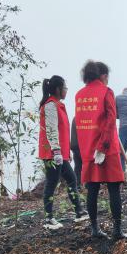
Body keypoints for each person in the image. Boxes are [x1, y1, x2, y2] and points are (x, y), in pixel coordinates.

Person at [75, 61, 126, 239]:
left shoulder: (79, 95)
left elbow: (80, 124)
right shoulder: (106, 91)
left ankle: (95, 229)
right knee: (113, 188)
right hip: (107, 148)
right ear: (102, 75)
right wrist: (103, 146)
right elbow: (111, 119)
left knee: (93, 189)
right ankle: (117, 230)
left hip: (88, 149)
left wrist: (91, 148)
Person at [38, 75, 88, 229]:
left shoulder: (58, 105)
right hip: (53, 154)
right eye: (65, 88)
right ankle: (48, 218)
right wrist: (57, 151)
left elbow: (63, 132)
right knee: (52, 183)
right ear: (58, 89)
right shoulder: (50, 106)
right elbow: (51, 130)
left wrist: (66, 153)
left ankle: (79, 211)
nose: (66, 90)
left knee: (72, 179)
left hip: (61, 154)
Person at [70, 117, 82, 190]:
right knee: (81, 166)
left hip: (75, 145)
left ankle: (77, 186)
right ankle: (80, 185)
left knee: (78, 167)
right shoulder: (80, 118)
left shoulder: (75, 118)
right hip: (80, 146)